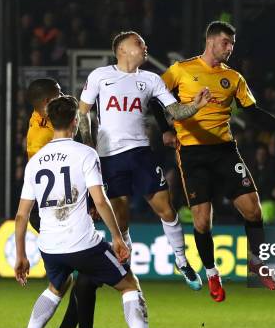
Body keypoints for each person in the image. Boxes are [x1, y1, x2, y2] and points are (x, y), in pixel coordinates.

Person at [12, 96, 170, 328]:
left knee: (56, 287)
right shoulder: (85, 154)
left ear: (50, 123)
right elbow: (100, 200)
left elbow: (21, 215)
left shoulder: (35, 162)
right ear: (75, 122)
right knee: (129, 284)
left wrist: (20, 256)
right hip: (82, 242)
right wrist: (118, 237)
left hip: (50, 245)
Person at [160, 21, 275, 301]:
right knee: (202, 221)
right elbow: (156, 99)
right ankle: (213, 274)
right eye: (226, 43)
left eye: (233, 44)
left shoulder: (234, 78)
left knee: (253, 210)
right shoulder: (181, 70)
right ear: (211, 41)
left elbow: (253, 111)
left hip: (225, 151)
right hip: (192, 153)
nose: (230, 48)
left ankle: (256, 262)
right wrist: (165, 130)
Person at [77, 30, 208, 291]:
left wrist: (196, 105)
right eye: (139, 43)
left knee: (167, 208)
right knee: (121, 220)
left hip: (140, 153)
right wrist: (89, 146)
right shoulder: (100, 76)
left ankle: (182, 261)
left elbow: (175, 112)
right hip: (109, 157)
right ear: (122, 49)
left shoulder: (151, 79)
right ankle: (126, 268)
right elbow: (83, 114)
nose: (145, 47)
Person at [25, 78, 116, 328]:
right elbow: (65, 174)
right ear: (45, 105)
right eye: (58, 95)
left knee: (67, 280)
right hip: (57, 211)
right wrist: (89, 201)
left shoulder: (40, 121)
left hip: (51, 210)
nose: (63, 97)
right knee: (91, 271)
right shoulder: (43, 139)